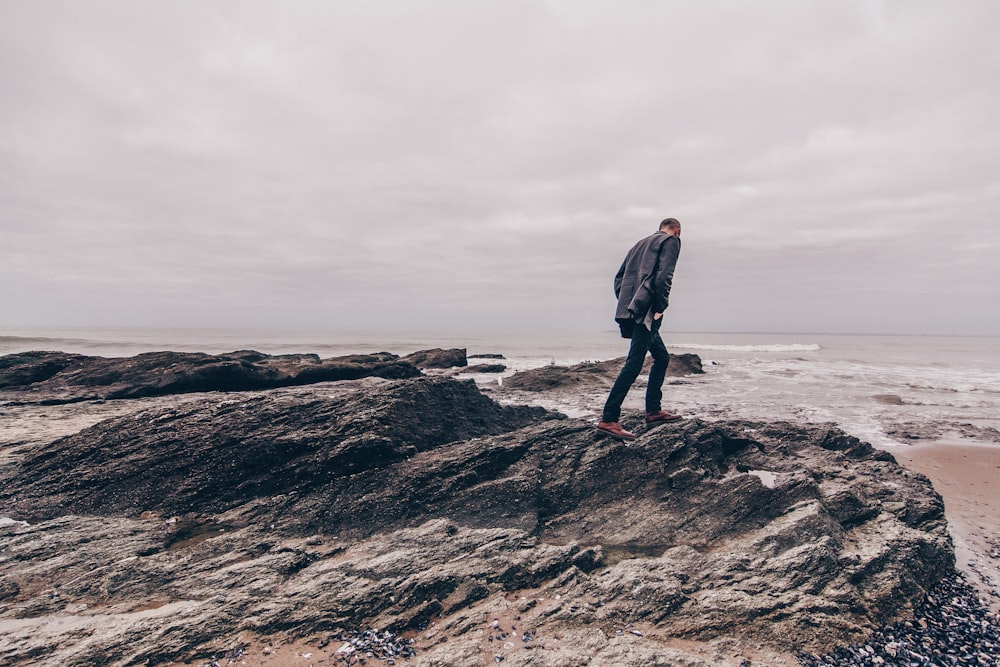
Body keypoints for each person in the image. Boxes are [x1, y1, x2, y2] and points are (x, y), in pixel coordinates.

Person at [597, 218, 683, 440]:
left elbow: (618, 279)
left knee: (662, 357)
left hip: (633, 308)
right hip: (648, 312)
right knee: (634, 363)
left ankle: (653, 411)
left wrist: (630, 303)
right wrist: (659, 307)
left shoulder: (638, 244)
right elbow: (665, 275)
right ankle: (609, 418)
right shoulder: (670, 241)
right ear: (677, 230)